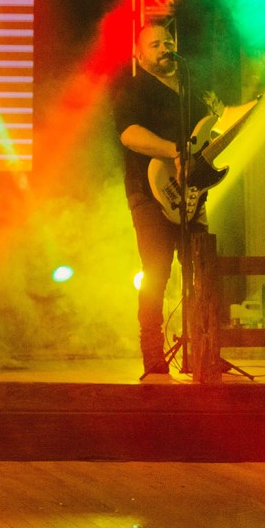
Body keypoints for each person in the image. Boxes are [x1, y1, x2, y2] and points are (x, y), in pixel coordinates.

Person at [111, 19, 217, 378]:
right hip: (148, 191)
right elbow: (129, 134)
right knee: (156, 271)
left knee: (200, 270)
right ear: (139, 55)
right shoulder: (134, 89)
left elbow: (208, 135)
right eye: (154, 45)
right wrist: (175, 151)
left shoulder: (193, 89)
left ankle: (203, 348)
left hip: (192, 194)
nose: (164, 48)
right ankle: (153, 354)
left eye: (168, 41)